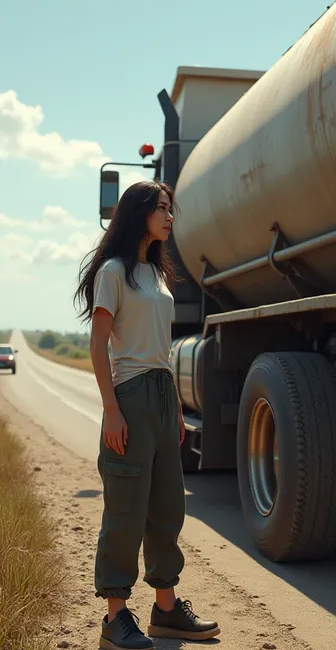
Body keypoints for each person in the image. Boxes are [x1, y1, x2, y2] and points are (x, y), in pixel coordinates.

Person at [74, 180, 220, 650]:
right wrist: (111, 410)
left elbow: (162, 350)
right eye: (161, 208)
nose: (169, 216)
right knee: (126, 509)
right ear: (138, 213)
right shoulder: (114, 271)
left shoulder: (156, 275)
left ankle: (165, 609)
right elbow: (98, 344)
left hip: (160, 395)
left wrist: (175, 405)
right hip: (130, 395)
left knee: (166, 508)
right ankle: (115, 617)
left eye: (170, 209)